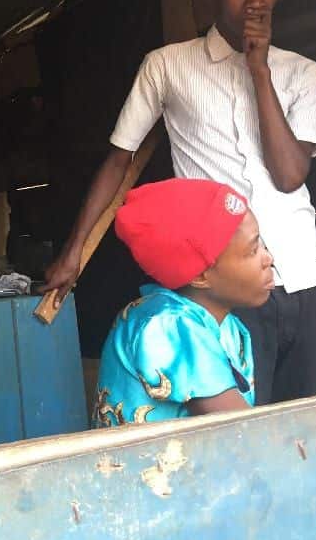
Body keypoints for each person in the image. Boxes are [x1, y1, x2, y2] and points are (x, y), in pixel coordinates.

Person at [45, 0, 316, 405]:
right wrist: (74, 249)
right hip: (227, 289)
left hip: (306, 278)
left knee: (312, 429)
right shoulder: (167, 66)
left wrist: (258, 70)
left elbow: (289, 175)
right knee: (240, 436)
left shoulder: (304, 73)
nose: (255, 1)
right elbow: (120, 158)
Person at [94, 178, 273, 427]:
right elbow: (245, 429)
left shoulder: (229, 326)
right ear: (200, 276)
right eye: (253, 251)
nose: (268, 258)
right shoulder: (167, 324)